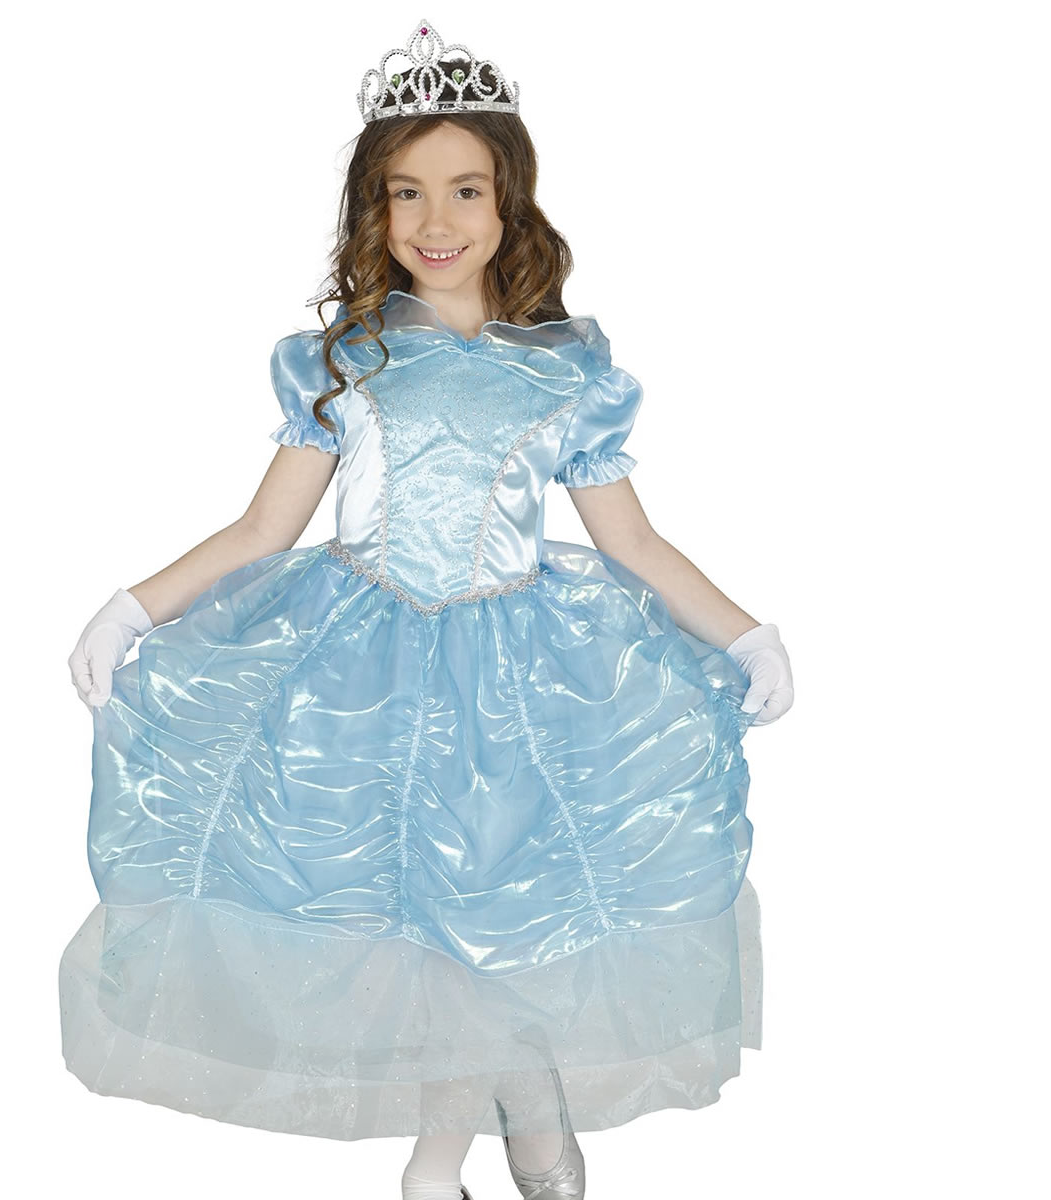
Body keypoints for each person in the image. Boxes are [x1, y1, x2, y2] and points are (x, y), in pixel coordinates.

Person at [61, 19, 795, 1200]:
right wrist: (129, 609)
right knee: (412, 922)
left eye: (465, 190)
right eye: (406, 192)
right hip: (361, 671)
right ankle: (503, 1134)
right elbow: (262, 530)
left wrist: (745, 630)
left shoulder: (565, 372)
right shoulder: (343, 363)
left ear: (511, 205)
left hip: (521, 678)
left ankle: (459, 1157)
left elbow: (632, 541)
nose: (435, 221)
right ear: (376, 208)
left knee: (498, 912)